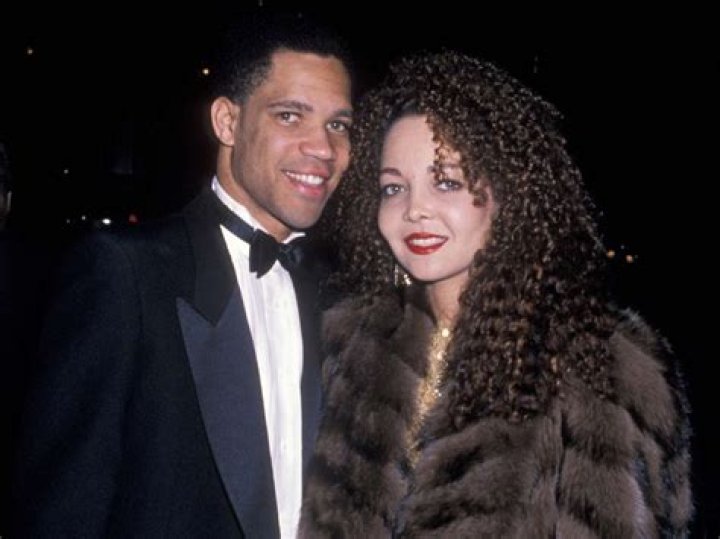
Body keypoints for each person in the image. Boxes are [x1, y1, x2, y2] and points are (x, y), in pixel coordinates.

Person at [300, 51, 692, 537]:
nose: (415, 209)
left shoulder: (600, 367)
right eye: (393, 188)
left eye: (446, 182)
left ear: (509, 195)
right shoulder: (352, 344)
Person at [11, 12, 353, 538]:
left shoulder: (340, 296)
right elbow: (62, 513)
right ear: (227, 122)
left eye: (338, 125)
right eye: (290, 116)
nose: (324, 149)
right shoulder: (125, 275)